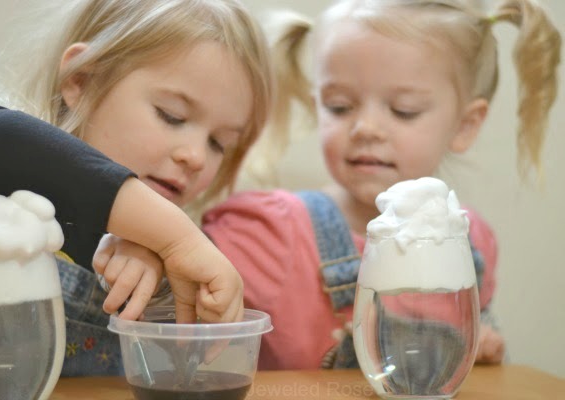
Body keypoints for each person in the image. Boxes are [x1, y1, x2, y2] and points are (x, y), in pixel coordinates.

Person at [92, 0, 561, 369]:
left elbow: (481, 348)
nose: (367, 128)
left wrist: (483, 345)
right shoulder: (269, 231)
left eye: (403, 110)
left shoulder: (472, 242)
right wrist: (147, 245)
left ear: (466, 123)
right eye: (339, 106)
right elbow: (177, 289)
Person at [0, 0, 273, 375]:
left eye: (218, 143)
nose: (195, 156)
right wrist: (173, 235)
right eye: (171, 116)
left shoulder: (175, 260)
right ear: (81, 80)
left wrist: (160, 256)